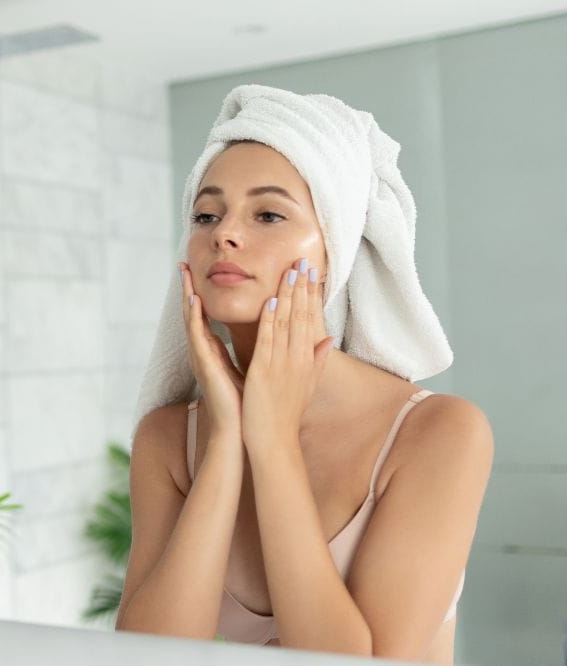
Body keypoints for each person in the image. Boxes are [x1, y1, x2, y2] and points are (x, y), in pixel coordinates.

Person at [115, 85, 493, 663]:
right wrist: (225, 446)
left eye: (268, 213)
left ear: (334, 248)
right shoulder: (169, 441)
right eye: (206, 214)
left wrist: (271, 444)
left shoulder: (438, 433)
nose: (224, 234)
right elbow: (144, 657)